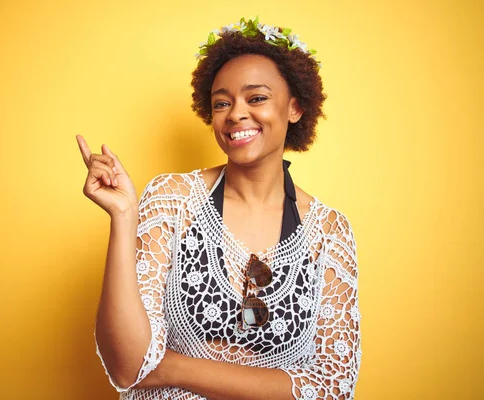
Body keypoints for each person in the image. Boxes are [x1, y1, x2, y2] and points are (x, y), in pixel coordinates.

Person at [76, 17, 361, 400]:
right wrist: (124, 217)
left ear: (295, 107)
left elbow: (332, 387)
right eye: (221, 103)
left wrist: (169, 367)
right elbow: (128, 366)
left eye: (256, 98)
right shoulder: (172, 199)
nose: (236, 114)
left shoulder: (329, 231)